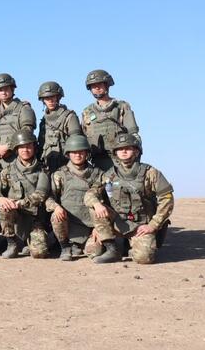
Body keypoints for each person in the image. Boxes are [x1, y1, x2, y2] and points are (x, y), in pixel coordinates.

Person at [92, 133, 174, 264]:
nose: (123, 151)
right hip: (118, 223)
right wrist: (97, 205)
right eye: (120, 149)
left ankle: (134, 246)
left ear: (136, 151)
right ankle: (112, 249)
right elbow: (91, 193)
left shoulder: (150, 173)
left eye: (128, 148)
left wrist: (153, 225)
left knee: (144, 258)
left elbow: (167, 198)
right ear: (115, 153)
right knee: (92, 250)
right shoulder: (109, 175)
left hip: (140, 226)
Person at [45, 134, 115, 262]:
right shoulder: (60, 174)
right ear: (68, 154)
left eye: (81, 152)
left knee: (94, 252)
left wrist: (99, 228)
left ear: (87, 153)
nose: (78, 155)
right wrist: (56, 207)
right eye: (74, 152)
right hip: (69, 224)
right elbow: (49, 198)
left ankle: (80, 246)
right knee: (56, 216)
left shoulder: (98, 174)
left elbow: (108, 202)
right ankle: (65, 247)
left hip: (90, 227)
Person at [0, 132, 49, 259]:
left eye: (29, 146)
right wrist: (1, 198)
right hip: (15, 218)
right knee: (4, 207)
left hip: (34, 218)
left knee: (39, 253)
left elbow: (41, 194)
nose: (25, 150)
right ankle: (11, 244)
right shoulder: (7, 171)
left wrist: (18, 203)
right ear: (16, 149)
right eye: (22, 147)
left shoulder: (42, 170)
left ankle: (37, 240)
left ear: (34, 148)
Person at [81, 69, 140, 171]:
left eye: (100, 84)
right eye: (93, 86)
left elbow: (134, 135)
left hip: (120, 161)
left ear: (107, 85)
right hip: (97, 163)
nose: (97, 88)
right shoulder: (87, 112)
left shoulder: (122, 107)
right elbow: (82, 139)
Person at [0, 73, 36, 174]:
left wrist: (7, 147)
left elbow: (27, 131)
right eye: (0, 90)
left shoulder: (24, 108)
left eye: (6, 89)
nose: (3, 92)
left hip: (19, 158)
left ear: (12, 89)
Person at [36, 81, 82, 172]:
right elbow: (41, 145)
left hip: (67, 166)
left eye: (52, 97)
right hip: (47, 166)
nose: (50, 100)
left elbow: (77, 143)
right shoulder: (43, 121)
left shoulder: (69, 117)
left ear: (58, 97)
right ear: (43, 100)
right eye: (47, 98)